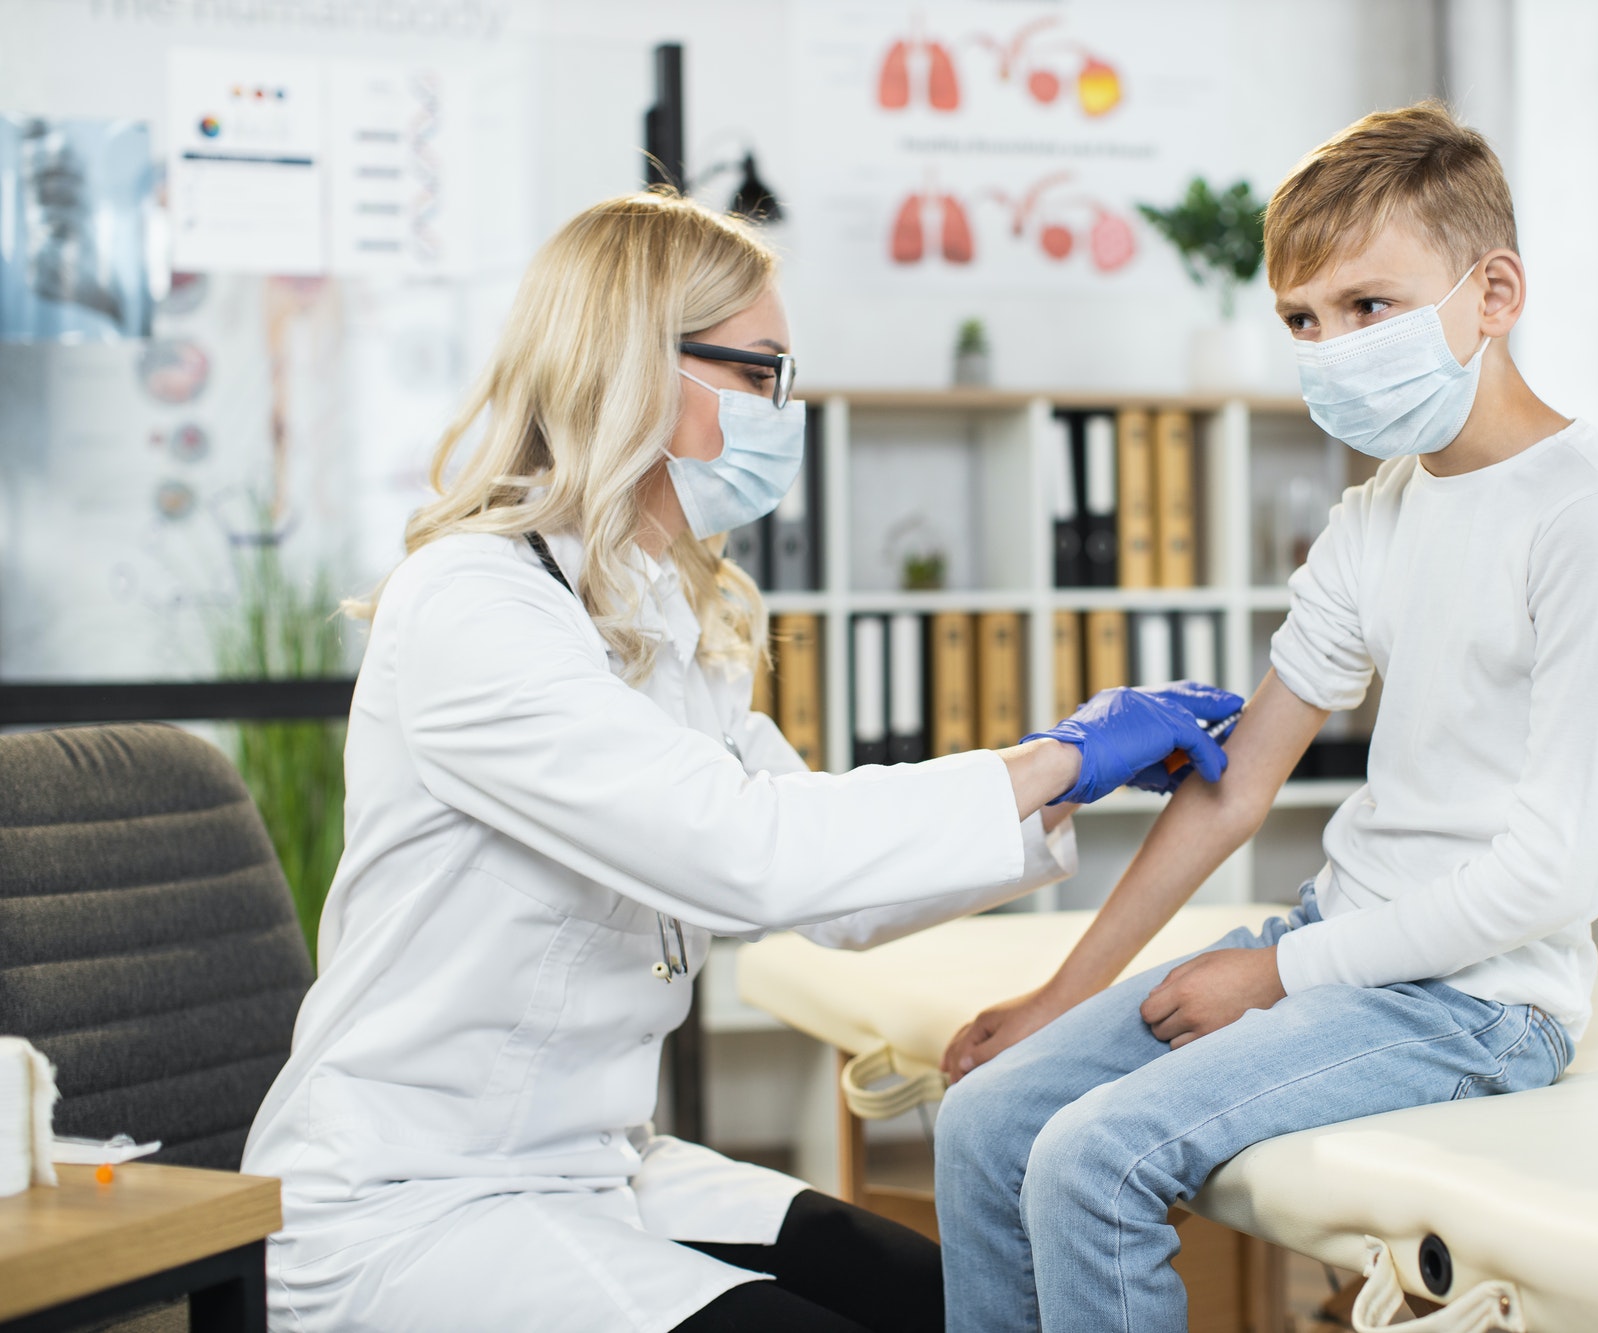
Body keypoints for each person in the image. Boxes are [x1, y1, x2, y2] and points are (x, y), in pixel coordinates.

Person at [241, 190, 1242, 1333]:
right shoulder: (474, 605)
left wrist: (1073, 779)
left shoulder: (655, 610)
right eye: (762, 371)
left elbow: (830, 881)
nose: (783, 408)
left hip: (596, 1165)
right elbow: (739, 852)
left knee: (953, 1301)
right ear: (632, 368)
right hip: (413, 1199)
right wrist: (1048, 760)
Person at [931, 100, 1598, 1333]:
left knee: (1093, 1161)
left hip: (1477, 1002)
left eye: (1368, 307)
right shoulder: (1381, 510)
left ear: (1491, 291)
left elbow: (1550, 876)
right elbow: (1236, 783)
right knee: (982, 1120)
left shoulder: (1591, 525)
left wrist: (1278, 973)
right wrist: (1060, 1001)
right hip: (1340, 941)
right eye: (1302, 318)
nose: (1330, 345)